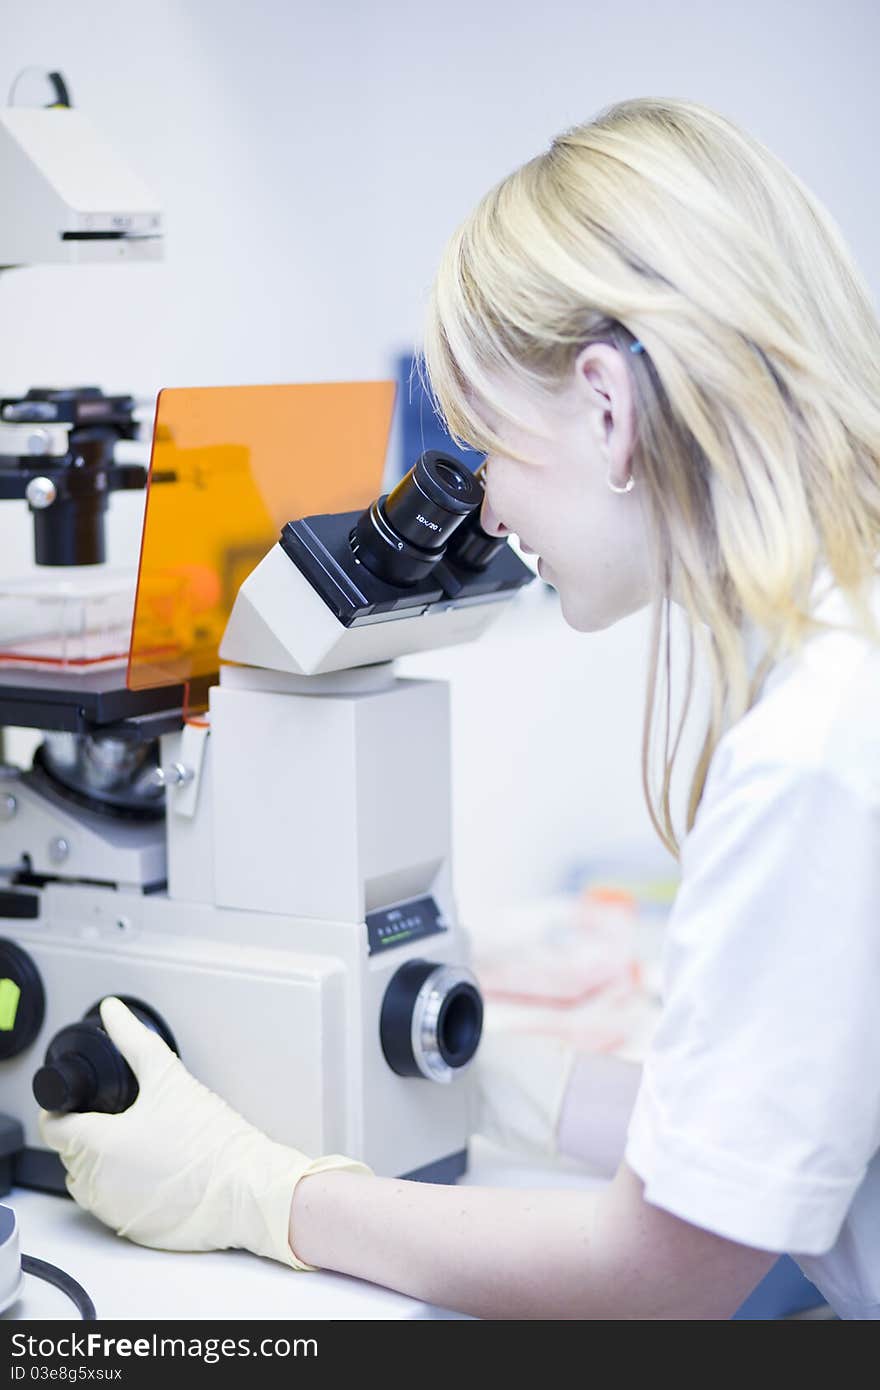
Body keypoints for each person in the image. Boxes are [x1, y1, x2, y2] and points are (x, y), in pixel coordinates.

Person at [40, 95, 880, 1320]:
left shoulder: (816, 747)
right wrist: (506, 1083)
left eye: (489, 445)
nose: (485, 512)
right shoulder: (840, 651)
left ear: (607, 406)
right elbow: (800, 1116)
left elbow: (653, 1277)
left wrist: (260, 1189)